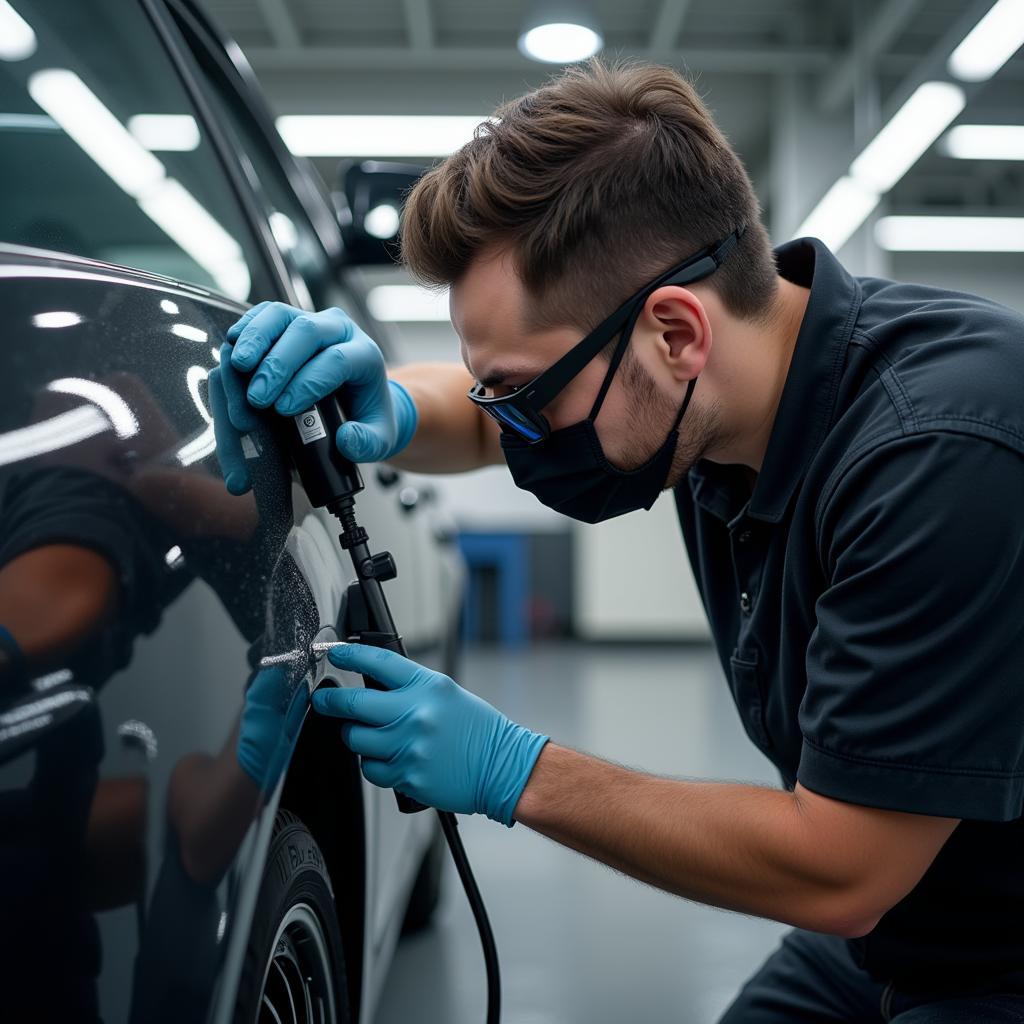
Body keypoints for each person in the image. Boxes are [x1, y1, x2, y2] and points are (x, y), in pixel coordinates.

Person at [214, 60, 1024, 1022]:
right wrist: (387, 403)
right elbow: (482, 419)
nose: (509, 427)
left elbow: (840, 867)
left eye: (521, 394)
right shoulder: (725, 387)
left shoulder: (938, 461)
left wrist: (514, 769)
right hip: (899, 922)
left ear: (676, 333)